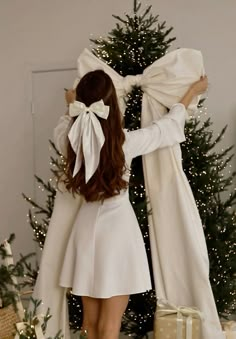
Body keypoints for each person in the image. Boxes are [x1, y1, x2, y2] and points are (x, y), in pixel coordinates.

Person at [54, 69, 208, 339]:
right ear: (112, 105)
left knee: (90, 322)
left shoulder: (70, 140)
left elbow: (64, 126)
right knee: (111, 325)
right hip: (117, 237)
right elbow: (167, 128)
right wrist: (191, 93)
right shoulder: (124, 143)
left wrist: (70, 107)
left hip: (85, 233)